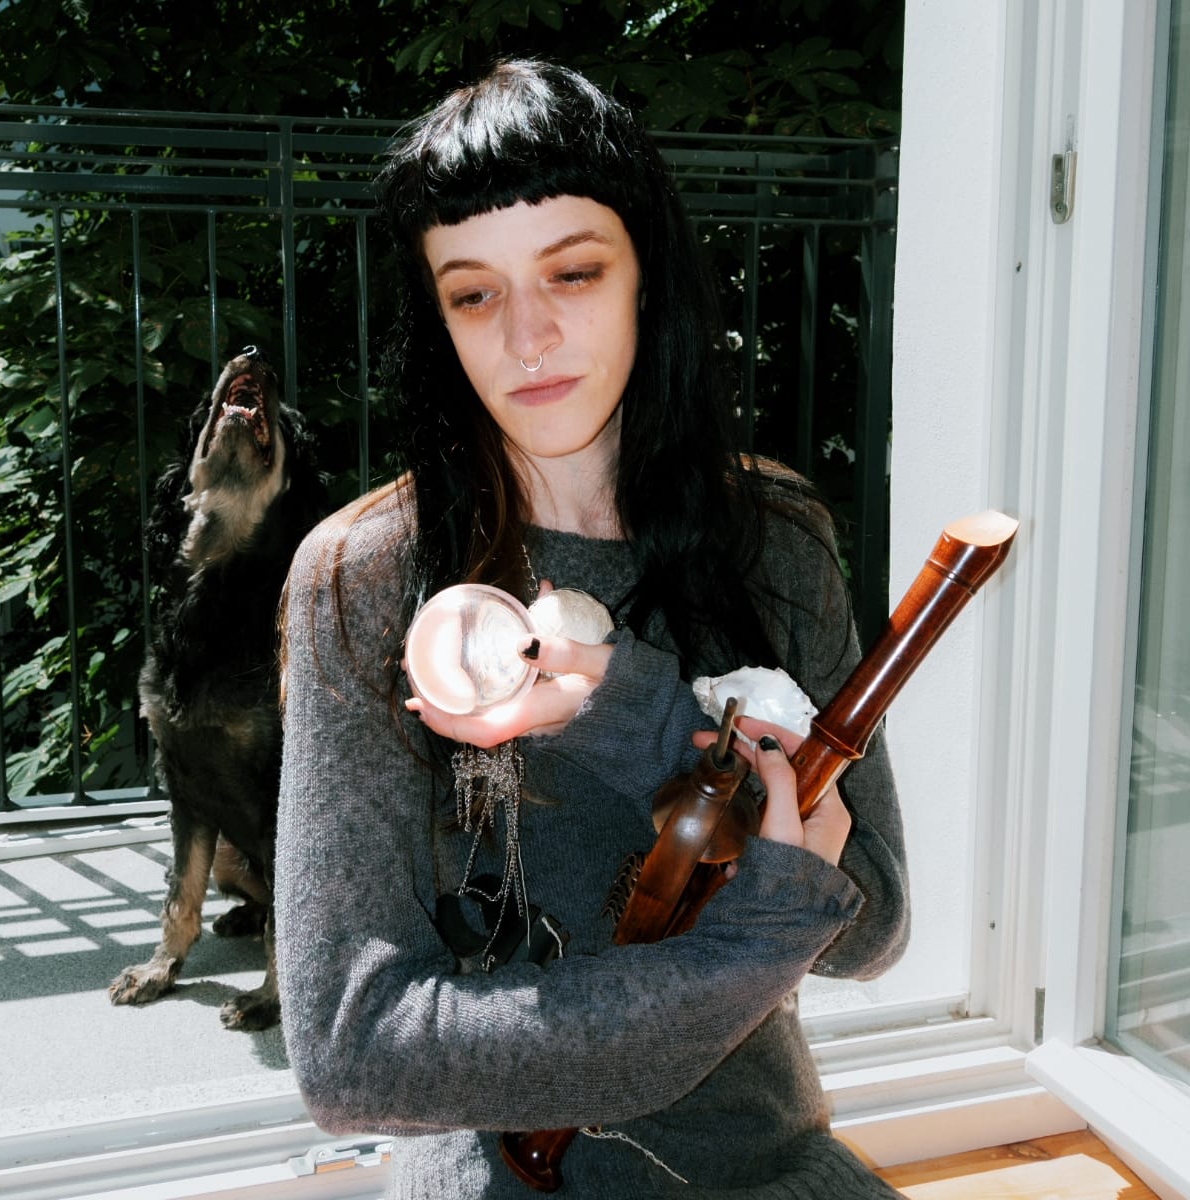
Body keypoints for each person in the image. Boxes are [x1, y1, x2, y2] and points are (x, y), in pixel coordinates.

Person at [275, 58, 908, 1199]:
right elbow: (353, 1054)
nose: (529, 338)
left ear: (646, 279)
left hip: (772, 1168)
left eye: (573, 272)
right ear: (437, 319)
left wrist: (643, 720)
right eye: (474, 294)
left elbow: (869, 923)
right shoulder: (361, 580)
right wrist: (746, 950)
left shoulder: (772, 539)